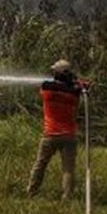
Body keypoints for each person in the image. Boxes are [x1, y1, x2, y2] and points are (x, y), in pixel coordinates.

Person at [26, 59, 91, 199]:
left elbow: (45, 86)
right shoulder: (74, 93)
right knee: (68, 169)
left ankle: (32, 192)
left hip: (50, 135)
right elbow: (80, 89)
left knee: (40, 163)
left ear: (58, 74)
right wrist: (79, 84)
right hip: (69, 135)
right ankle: (67, 196)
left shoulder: (47, 88)